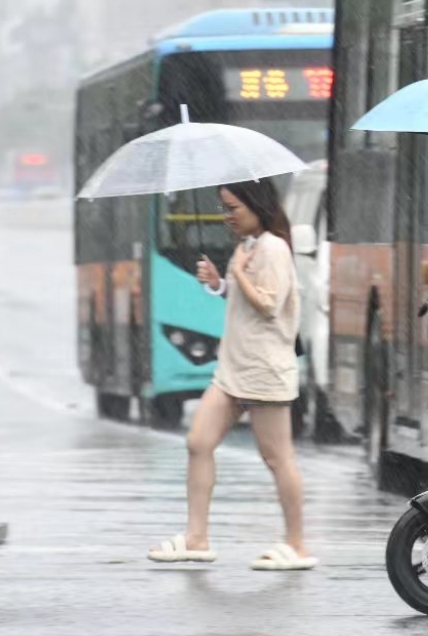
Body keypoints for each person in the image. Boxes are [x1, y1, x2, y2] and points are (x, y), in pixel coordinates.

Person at [147, 180, 316, 570]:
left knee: (277, 458)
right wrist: (220, 284)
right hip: (233, 368)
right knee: (198, 442)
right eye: (224, 208)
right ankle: (196, 537)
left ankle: (297, 545)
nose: (227, 217)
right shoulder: (249, 246)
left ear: (257, 205)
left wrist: (237, 273)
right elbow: (246, 300)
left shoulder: (273, 247)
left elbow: (270, 306)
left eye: (233, 208)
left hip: (263, 370)